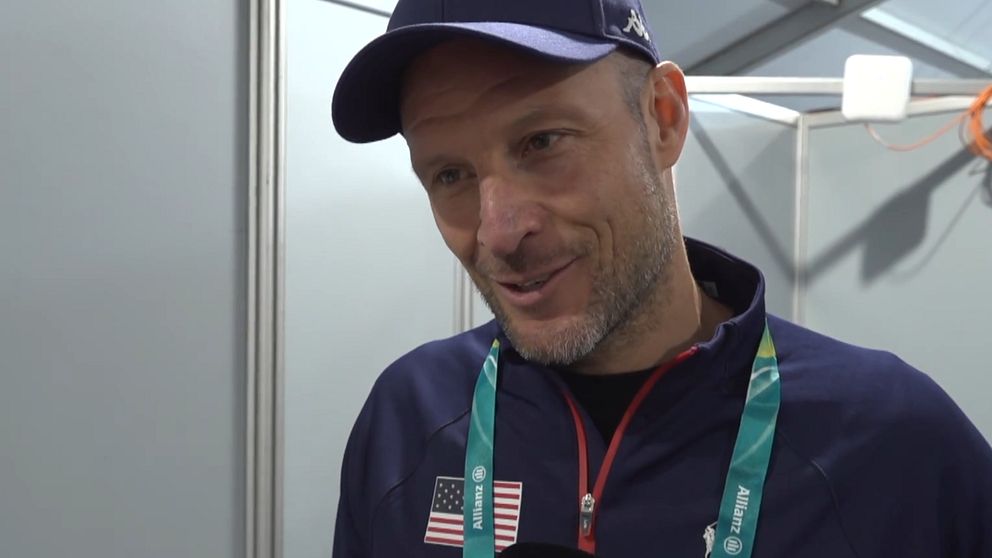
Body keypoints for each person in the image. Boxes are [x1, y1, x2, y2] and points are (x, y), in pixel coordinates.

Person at [329, 1, 992, 556]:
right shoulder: (408, 420)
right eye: (450, 174)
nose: (499, 232)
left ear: (663, 118)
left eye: (542, 142)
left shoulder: (892, 443)